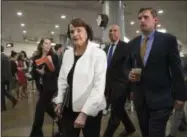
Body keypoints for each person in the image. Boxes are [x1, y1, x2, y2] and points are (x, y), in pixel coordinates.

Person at [127, 8, 187, 137]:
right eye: (140, 18)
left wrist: (180, 96)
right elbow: (127, 66)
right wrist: (128, 74)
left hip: (162, 98)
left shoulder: (168, 40)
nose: (142, 20)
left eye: (145, 17)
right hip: (140, 99)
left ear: (155, 20)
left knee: (156, 133)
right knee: (145, 132)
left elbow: (177, 70)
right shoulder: (133, 43)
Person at [54, 18, 107, 137]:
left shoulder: (98, 54)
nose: (75, 34)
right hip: (68, 107)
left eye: (79, 30)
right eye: (72, 32)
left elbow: (98, 87)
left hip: (90, 109)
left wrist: (84, 113)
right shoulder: (68, 53)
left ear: (87, 32)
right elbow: (62, 80)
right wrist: (59, 101)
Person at [103, 25, 136, 137]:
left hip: (122, 86)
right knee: (120, 109)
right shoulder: (105, 49)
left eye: (115, 30)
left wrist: (132, 89)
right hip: (108, 86)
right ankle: (130, 128)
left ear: (119, 33)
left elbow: (132, 67)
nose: (112, 32)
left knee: (115, 113)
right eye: (110, 31)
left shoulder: (126, 47)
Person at [30, 38, 60, 137]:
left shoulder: (54, 57)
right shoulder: (36, 57)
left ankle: (36, 134)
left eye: (49, 44)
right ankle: (62, 122)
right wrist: (31, 75)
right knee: (47, 107)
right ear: (41, 45)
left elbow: (56, 73)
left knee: (39, 109)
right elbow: (34, 72)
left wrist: (45, 73)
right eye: (46, 43)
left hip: (50, 88)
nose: (48, 45)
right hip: (41, 88)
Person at [1, 46, 18, 111]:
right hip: (3, 77)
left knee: (2, 92)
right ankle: (13, 99)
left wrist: (7, 79)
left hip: (2, 78)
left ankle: (3, 107)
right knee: (3, 91)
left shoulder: (4, 57)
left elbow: (6, 70)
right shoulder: (5, 57)